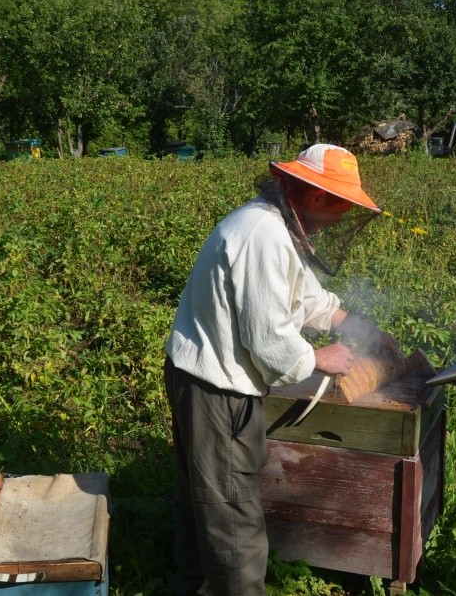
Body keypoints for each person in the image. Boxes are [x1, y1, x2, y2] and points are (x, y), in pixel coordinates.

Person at [164, 143, 399, 596]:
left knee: (203, 504)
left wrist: (356, 326)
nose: (341, 217)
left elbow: (304, 295)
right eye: (340, 206)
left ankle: (193, 586)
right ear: (316, 196)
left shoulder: (274, 225)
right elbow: (268, 337)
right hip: (217, 390)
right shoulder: (263, 235)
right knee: (234, 520)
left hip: (203, 379)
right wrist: (316, 358)